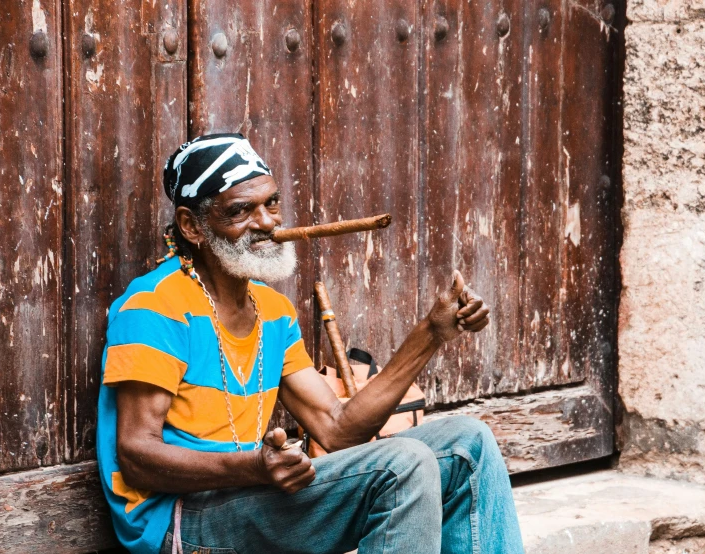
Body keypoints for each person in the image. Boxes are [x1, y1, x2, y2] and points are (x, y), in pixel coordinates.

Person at [96, 133, 524, 554]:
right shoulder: (154, 306)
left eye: (272, 203)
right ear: (192, 226)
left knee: (469, 442)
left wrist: (431, 333)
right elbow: (136, 456)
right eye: (241, 210)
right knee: (404, 464)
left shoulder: (272, 310)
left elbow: (337, 433)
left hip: (245, 492)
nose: (266, 223)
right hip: (180, 520)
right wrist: (254, 468)